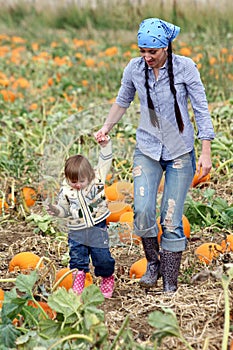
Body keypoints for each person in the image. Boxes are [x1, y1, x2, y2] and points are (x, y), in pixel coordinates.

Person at [95, 18, 215, 293]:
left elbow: (201, 109)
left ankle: (170, 284)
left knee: (171, 219)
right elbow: (122, 101)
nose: (146, 57)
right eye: (142, 51)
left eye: (153, 51)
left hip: (180, 153)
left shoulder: (186, 68)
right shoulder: (135, 69)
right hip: (147, 149)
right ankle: (153, 263)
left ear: (166, 48)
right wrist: (105, 127)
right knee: (142, 209)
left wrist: (206, 151)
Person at [46, 135, 115, 298]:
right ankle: (78, 284)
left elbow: (105, 159)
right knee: (77, 258)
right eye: (73, 181)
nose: (77, 185)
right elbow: (64, 209)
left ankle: (107, 278)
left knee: (102, 257)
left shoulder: (97, 179)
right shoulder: (66, 191)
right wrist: (56, 211)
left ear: (89, 175)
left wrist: (106, 145)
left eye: (81, 181)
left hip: (97, 226)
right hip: (76, 230)